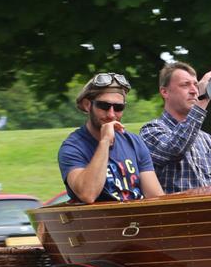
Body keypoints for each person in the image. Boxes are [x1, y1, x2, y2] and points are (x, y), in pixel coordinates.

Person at [58, 72, 165, 204]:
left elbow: (155, 197)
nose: (111, 114)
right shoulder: (72, 147)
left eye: (118, 107)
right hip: (100, 223)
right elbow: (87, 194)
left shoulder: (135, 142)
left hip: (136, 222)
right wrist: (105, 142)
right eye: (104, 106)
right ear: (87, 105)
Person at [139, 61, 211, 192]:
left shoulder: (207, 139)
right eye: (185, 85)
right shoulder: (150, 130)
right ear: (164, 92)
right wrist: (203, 100)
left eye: (196, 85)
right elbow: (175, 149)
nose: (194, 91)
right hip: (177, 212)